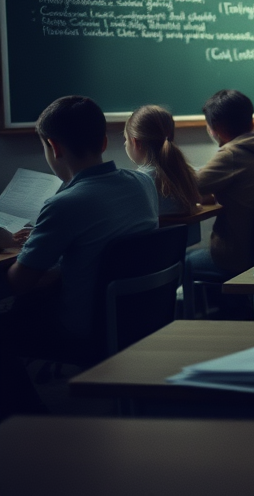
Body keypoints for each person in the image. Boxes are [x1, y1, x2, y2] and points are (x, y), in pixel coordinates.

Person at [0, 96, 158, 417]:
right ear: (103, 141)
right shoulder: (143, 183)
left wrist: (9, 243)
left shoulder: (65, 204)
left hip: (85, 328)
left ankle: (29, 419)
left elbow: (20, 281)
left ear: (53, 148)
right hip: (140, 317)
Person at [186, 90, 254, 281]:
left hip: (238, 258)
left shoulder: (231, 154)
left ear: (214, 129)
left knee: (184, 261)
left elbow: (189, 187)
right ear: (251, 122)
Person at [124, 104, 201, 215]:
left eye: (126, 139)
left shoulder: (137, 182)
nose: (125, 143)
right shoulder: (185, 173)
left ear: (136, 142)